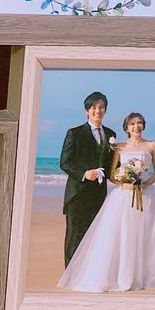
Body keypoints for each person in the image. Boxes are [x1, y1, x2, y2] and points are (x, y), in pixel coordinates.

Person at [59, 112, 155, 292]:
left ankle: (142, 275)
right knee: (124, 232)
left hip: (146, 195)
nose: (136, 126)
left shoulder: (152, 145)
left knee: (145, 232)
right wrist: (124, 184)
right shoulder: (119, 147)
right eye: (132, 124)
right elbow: (112, 173)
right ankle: (122, 274)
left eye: (139, 123)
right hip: (124, 195)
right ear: (126, 128)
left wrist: (146, 183)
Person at [60, 91, 117, 267]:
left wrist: (128, 177)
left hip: (99, 194)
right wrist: (85, 174)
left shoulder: (111, 134)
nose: (97, 110)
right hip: (78, 194)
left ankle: (88, 272)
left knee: (95, 236)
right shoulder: (75, 133)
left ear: (105, 110)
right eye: (94, 107)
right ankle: (70, 275)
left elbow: (111, 165)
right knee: (74, 237)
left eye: (101, 107)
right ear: (87, 110)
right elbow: (65, 163)